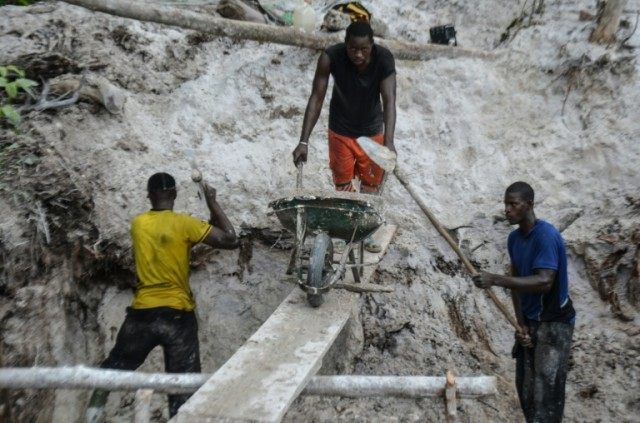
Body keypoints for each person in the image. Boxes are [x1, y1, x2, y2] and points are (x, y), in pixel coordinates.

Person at [85, 172, 239, 422]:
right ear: (175, 194)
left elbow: (169, 238)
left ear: (150, 196)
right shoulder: (185, 224)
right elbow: (230, 240)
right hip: (177, 317)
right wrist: (212, 202)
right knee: (182, 388)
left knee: (112, 369)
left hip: (141, 315)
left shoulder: (138, 224)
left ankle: (92, 413)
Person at [472, 181, 576, 423]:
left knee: (546, 396)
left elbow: (544, 281)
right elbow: (517, 283)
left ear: (529, 205)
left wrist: (495, 279)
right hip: (532, 321)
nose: (507, 209)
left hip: (554, 324)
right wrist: (522, 325)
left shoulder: (547, 235)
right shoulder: (514, 239)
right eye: (505, 204)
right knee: (527, 392)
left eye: (513, 204)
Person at [291, 20, 396, 252]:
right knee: (343, 182)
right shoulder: (331, 57)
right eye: (352, 48)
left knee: (371, 182)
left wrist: (389, 142)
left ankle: (366, 229)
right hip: (340, 129)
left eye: (364, 49)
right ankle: (351, 227)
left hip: (372, 132)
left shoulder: (384, 59)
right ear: (345, 44)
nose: (358, 54)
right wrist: (303, 141)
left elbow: (389, 101)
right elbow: (316, 98)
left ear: (372, 45)